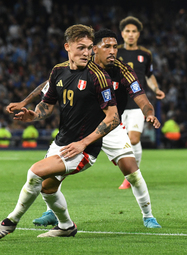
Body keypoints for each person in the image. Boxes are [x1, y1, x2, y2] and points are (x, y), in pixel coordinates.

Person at [6, 29, 162, 229]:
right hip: (79, 127)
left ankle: (148, 215)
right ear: (95, 49)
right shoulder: (77, 66)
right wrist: (26, 102)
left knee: (131, 171)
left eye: (115, 46)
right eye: (107, 46)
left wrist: (148, 112)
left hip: (110, 125)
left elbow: (141, 97)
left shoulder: (121, 70)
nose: (113, 51)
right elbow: (50, 85)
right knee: (51, 175)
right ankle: (52, 213)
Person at [0, 24, 120, 239]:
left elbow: (113, 118)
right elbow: (47, 105)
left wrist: (83, 144)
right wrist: (33, 116)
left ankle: (9, 222)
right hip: (61, 142)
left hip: (84, 149)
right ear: (67, 46)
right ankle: (66, 226)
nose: (86, 53)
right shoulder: (58, 71)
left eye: (90, 48)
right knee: (47, 188)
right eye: (80, 47)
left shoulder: (99, 77)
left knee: (35, 172)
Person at [117, 16, 165, 189]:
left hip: (138, 103)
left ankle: (131, 176)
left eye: (134, 31)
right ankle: (129, 174)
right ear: (122, 34)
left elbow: (149, 76)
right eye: (127, 31)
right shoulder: (115, 52)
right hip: (118, 105)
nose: (131, 35)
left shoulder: (145, 54)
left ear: (138, 34)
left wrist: (156, 89)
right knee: (122, 143)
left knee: (134, 139)